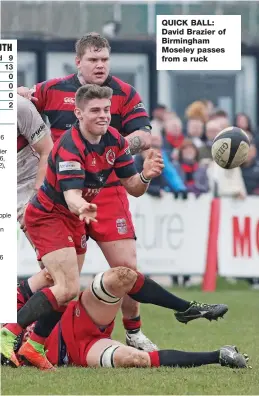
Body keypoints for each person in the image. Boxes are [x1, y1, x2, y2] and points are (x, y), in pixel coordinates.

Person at [1, 84, 164, 370]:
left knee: (62, 283)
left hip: (49, 205)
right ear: (79, 113)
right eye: (96, 110)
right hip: (48, 212)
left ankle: (33, 344)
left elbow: (133, 186)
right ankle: (10, 332)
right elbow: (71, 194)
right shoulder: (71, 143)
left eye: (106, 110)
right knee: (63, 283)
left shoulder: (111, 137)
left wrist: (145, 175)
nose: (103, 116)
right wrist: (77, 205)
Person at [17, 32, 157, 352]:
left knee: (127, 270)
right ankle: (33, 335)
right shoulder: (52, 89)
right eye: (93, 60)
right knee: (59, 280)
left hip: (107, 191)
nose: (100, 65)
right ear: (78, 62)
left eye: (105, 59)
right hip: (61, 195)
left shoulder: (124, 93)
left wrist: (116, 146)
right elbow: (23, 103)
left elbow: (144, 135)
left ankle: (133, 332)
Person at [19, 267, 247, 371]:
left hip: (77, 315)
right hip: (78, 350)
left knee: (121, 277)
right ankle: (220, 355)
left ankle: (187, 308)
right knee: (135, 359)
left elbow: (45, 278)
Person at [17, 95, 54, 309]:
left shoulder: (19, 107)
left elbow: (47, 150)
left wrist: (36, 198)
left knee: (52, 266)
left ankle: (35, 329)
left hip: (29, 187)